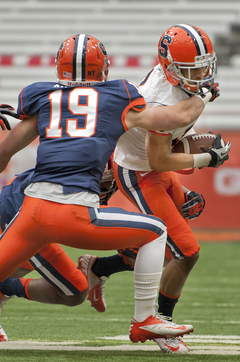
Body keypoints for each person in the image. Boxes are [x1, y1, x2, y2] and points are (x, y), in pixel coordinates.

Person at [0, 33, 217, 344]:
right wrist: (204, 96)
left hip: (31, 213)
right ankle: (144, 318)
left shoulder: (44, 100)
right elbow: (176, 116)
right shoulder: (117, 98)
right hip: (74, 213)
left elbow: (2, 157)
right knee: (157, 230)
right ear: (105, 69)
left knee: (74, 290)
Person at [76, 25, 231, 353]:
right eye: (193, 69)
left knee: (168, 246)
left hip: (149, 165)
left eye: (204, 66)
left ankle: (99, 268)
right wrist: (204, 159)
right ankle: (160, 324)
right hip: (141, 172)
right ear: (170, 68)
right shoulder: (163, 99)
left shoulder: (174, 80)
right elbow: (158, 160)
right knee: (187, 252)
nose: (202, 74)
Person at [0, 160, 117, 342]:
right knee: (74, 290)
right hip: (24, 207)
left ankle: (4, 287)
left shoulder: (122, 162)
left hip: (41, 208)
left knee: (75, 293)